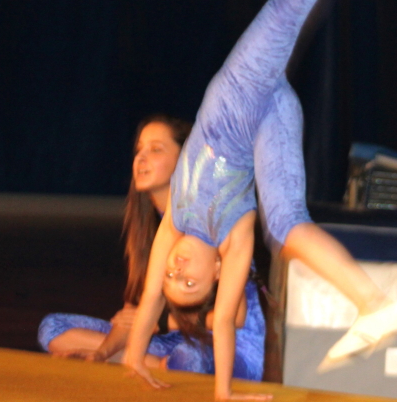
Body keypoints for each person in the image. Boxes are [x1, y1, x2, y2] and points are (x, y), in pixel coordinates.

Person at [101, 0, 397, 402]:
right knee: (286, 226)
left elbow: (147, 303)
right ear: (218, 272)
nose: (176, 269)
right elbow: (223, 321)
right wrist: (226, 390)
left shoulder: (176, 222)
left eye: (172, 275)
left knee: (298, 1)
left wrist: (135, 359)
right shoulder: (235, 235)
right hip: (263, 112)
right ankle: (374, 303)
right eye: (190, 280)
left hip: (238, 99)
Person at [37, 116, 263, 382]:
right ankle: (144, 362)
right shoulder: (153, 226)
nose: (141, 158)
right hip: (172, 340)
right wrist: (102, 352)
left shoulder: (206, 219)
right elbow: (135, 314)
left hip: (226, 346)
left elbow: (235, 317)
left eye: (156, 149)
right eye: (139, 150)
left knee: (189, 358)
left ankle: (145, 362)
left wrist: (165, 321)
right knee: (52, 328)